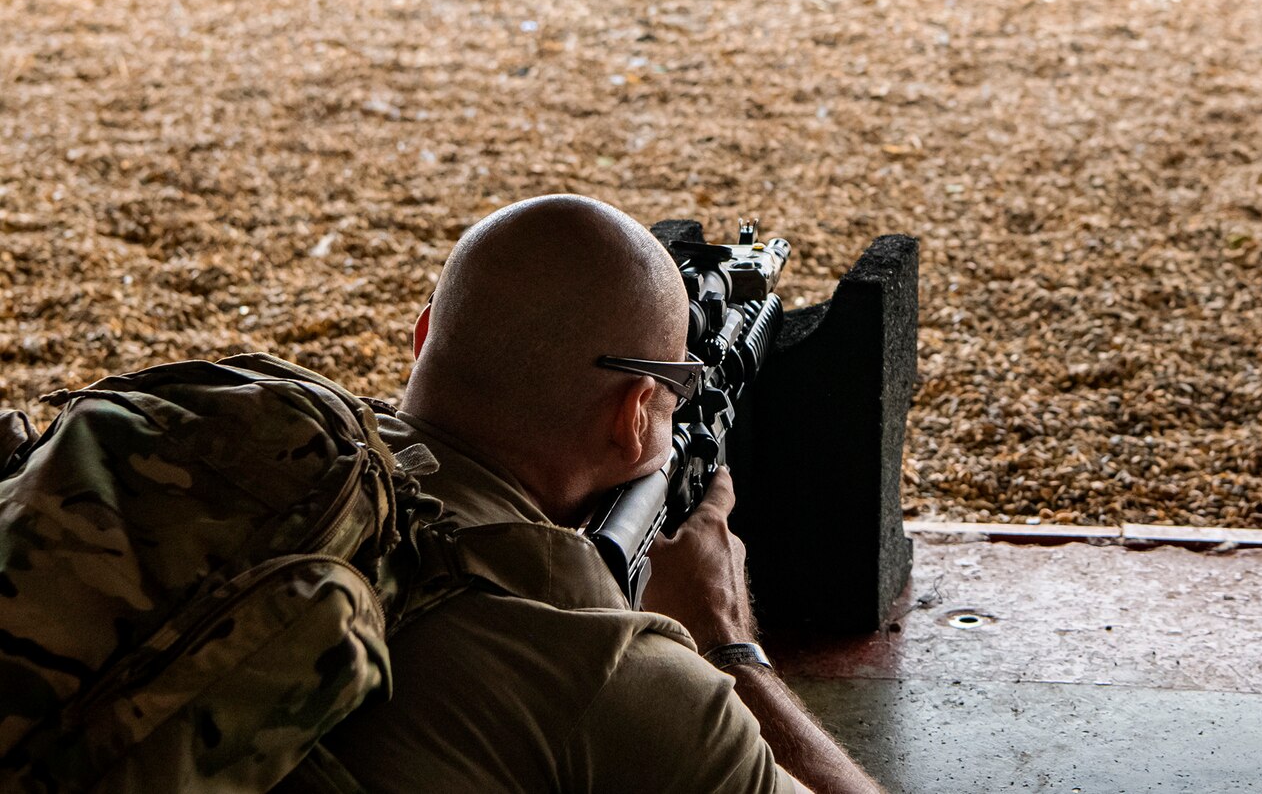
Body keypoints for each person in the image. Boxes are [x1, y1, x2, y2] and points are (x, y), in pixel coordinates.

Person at [319, 194, 881, 794]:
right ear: (635, 412)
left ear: (425, 334)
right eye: (674, 397)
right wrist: (727, 642)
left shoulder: (302, 471)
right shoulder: (597, 670)